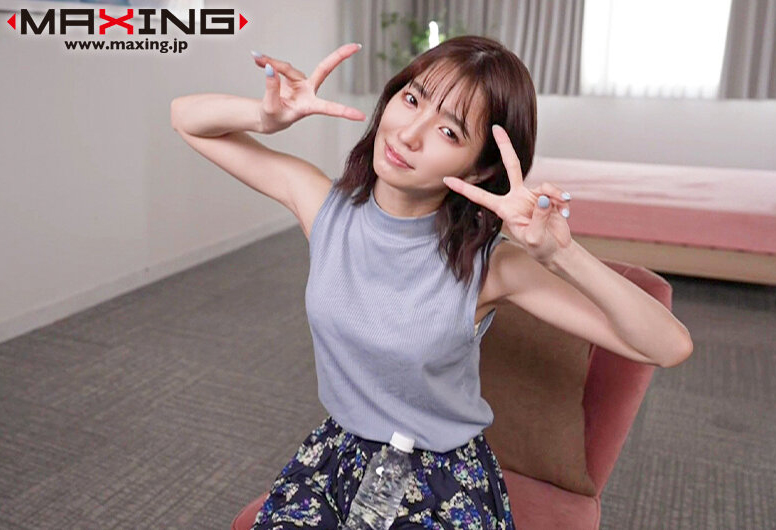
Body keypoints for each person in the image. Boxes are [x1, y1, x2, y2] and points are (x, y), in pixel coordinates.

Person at [171, 35, 693, 529]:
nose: (408, 134)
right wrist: (265, 118)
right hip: (337, 456)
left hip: (442, 479)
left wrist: (563, 256)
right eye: (412, 99)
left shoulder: (491, 266)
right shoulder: (324, 208)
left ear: (479, 171)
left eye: (449, 132)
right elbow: (186, 118)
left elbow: (668, 346)